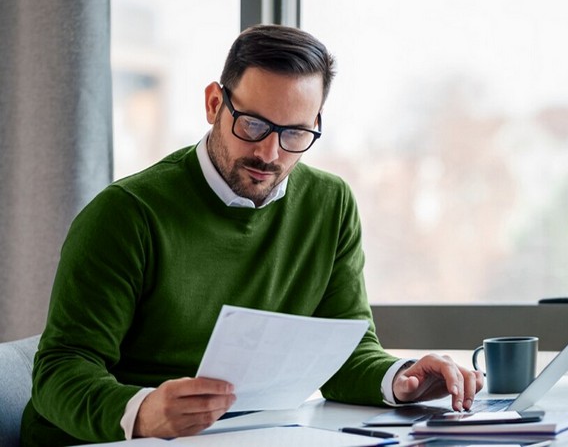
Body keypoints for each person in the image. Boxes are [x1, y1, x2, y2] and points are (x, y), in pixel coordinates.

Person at [20, 24, 483, 446]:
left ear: (316, 125)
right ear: (214, 104)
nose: (270, 152)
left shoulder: (330, 204)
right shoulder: (125, 215)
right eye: (254, 125)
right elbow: (60, 372)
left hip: (247, 436)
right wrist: (142, 411)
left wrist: (400, 378)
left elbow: (346, 354)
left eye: (295, 133)